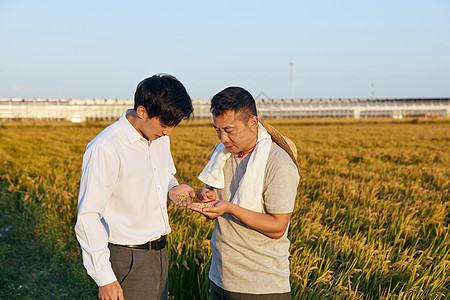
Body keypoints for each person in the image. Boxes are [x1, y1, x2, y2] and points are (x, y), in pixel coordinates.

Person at [75, 74, 195, 300]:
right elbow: (88, 216)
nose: (168, 132)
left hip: (160, 254)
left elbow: (165, 174)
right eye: (164, 124)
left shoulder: (160, 137)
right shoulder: (106, 147)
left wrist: (172, 189)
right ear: (142, 111)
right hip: (127, 258)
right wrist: (105, 278)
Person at [189, 87, 300, 300]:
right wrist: (207, 198)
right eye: (217, 130)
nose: (223, 138)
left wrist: (229, 207)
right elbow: (217, 199)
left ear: (253, 123)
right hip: (220, 276)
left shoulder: (277, 164)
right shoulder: (222, 154)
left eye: (229, 130)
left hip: (260, 285)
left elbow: (277, 227)